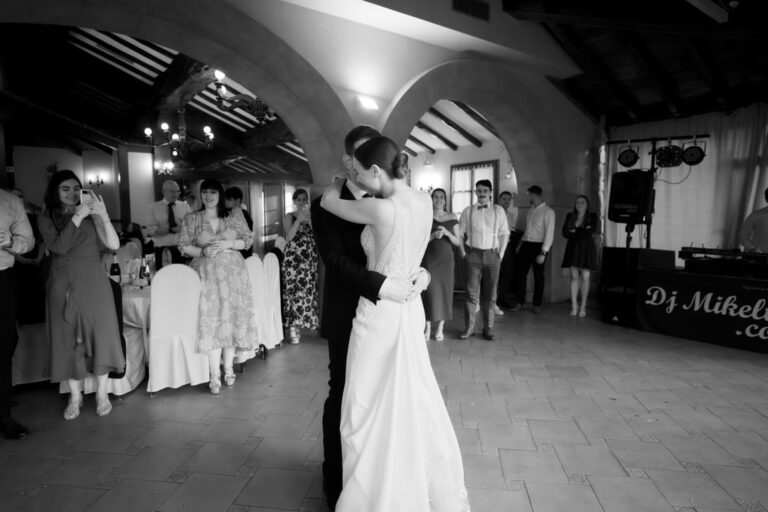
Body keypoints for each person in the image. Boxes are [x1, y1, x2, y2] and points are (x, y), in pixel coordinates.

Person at [320, 135, 469, 512]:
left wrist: (338, 180)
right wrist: (421, 274)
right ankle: (395, 477)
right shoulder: (421, 201)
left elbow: (327, 202)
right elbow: (413, 248)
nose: (354, 172)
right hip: (408, 306)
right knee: (407, 395)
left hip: (380, 313)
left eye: (358, 167)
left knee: (365, 404)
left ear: (374, 169)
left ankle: (376, 488)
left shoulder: (382, 209)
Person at [310, 125, 429, 510]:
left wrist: (421, 274)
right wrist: (384, 286)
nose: (364, 170)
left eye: (371, 162)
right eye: (359, 161)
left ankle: (387, 481)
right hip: (352, 312)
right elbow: (337, 263)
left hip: (394, 314)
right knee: (346, 399)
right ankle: (339, 482)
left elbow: (414, 249)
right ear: (349, 162)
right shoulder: (324, 205)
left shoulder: (397, 200)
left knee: (396, 400)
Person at [38, 170, 125, 420]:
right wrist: (77, 216)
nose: (72, 193)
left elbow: (113, 245)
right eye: (65, 189)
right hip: (62, 281)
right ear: (55, 192)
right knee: (65, 337)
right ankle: (74, 396)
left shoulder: (91, 214)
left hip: (93, 279)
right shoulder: (46, 218)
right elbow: (59, 247)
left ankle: (102, 393)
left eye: (76, 188)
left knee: (101, 333)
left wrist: (103, 214)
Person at [178, 179, 258, 394]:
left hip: (234, 276)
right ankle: (214, 375)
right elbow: (183, 246)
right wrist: (203, 252)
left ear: (220, 194)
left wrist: (229, 244)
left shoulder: (234, 215)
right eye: (204, 192)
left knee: (230, 320)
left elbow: (248, 240)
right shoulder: (192, 218)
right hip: (207, 276)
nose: (208, 196)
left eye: (213, 192)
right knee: (212, 322)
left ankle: (229, 369)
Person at [0, 188, 34, 439]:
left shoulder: (10, 202)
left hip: (2, 278)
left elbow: (28, 241)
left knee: (4, 344)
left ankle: (3, 416)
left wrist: (10, 243)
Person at [458, 180, 509, 341]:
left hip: (492, 255)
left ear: (490, 192)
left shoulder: (498, 210)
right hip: (473, 255)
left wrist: (501, 254)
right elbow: (459, 233)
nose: (481, 193)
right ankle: (469, 328)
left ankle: (488, 329)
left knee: (491, 295)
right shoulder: (468, 211)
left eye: (485, 190)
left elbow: (505, 233)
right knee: (471, 294)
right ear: (475, 192)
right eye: (479, 190)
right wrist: (462, 252)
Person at [421, 188, 462, 341]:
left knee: (445, 292)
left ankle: (440, 328)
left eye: (441, 197)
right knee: (429, 292)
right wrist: (433, 235)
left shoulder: (452, 216)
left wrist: (447, 233)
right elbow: (419, 239)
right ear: (432, 199)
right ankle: (428, 326)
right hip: (429, 259)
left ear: (445, 200)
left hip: (446, 261)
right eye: (436, 197)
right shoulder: (425, 215)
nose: (438, 200)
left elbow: (458, 242)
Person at [510, 185, 555, 313]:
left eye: (528, 194)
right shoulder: (531, 210)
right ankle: (520, 301)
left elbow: (549, 233)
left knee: (538, 276)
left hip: (539, 246)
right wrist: (520, 244)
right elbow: (528, 230)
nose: (527, 197)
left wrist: (543, 252)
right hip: (526, 245)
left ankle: (537, 304)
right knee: (520, 274)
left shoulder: (549, 212)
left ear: (534, 195)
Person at [282, 188, 319, 344]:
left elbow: (318, 237)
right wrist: (298, 220)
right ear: (294, 202)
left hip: (309, 259)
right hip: (293, 259)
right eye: (299, 200)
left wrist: (309, 220)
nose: (302, 202)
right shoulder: (289, 216)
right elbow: (289, 237)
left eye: (305, 199)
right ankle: (292, 328)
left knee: (305, 293)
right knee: (293, 292)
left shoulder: (313, 216)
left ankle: (302, 324)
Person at [561, 195, 597, 317]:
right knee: (574, 276)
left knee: (585, 276)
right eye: (577, 202)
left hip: (586, 248)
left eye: (582, 203)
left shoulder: (592, 217)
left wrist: (574, 232)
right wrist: (579, 232)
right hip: (572, 248)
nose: (579, 205)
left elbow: (589, 232)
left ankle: (583, 306)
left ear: (587, 205)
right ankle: (574, 305)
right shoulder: (569, 216)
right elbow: (565, 233)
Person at [147, 179, 191, 270]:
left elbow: (192, 227)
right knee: (163, 279)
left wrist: (183, 228)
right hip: (162, 249)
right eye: (171, 191)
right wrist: (172, 229)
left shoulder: (185, 206)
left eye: (177, 191)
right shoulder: (153, 207)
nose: (175, 194)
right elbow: (151, 230)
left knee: (181, 277)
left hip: (181, 249)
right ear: (163, 191)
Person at [496, 190, 523, 310]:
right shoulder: (494, 213)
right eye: (504, 199)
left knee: (509, 272)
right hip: (495, 246)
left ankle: (501, 297)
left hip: (507, 247)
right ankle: (492, 298)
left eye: (509, 199)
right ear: (499, 199)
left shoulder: (511, 216)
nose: (506, 201)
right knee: (494, 272)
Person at [224, 186, 254, 259]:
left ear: (237, 200)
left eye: (229, 200)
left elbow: (246, 236)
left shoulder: (242, 214)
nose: (226, 202)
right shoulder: (229, 213)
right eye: (225, 199)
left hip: (242, 253)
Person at [739, 187, 768, 252]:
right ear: (766, 199)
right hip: (758, 256)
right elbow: (743, 236)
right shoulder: (756, 215)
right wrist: (752, 248)